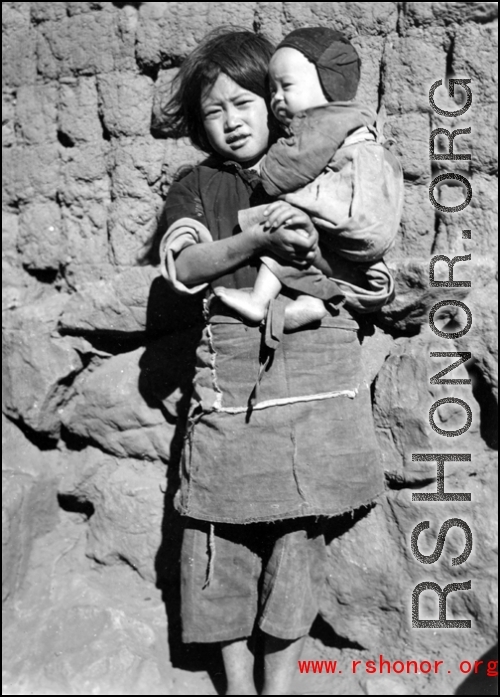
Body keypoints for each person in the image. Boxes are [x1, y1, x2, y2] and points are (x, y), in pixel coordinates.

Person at [157, 28, 386, 696]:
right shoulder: (198, 184)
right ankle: (235, 684)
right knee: (214, 540)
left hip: (312, 393)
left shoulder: (328, 163)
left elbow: (368, 261)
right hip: (232, 392)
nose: (230, 123)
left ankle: (277, 686)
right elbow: (186, 264)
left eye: (244, 103)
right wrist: (252, 236)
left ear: (275, 101)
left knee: (296, 541)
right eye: (212, 112)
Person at [215, 27, 403, 329]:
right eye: (271, 90)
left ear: (327, 85)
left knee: (280, 229)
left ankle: (259, 299)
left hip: (349, 217)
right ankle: (312, 301)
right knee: (309, 244)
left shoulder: (322, 122)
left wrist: (272, 159)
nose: (276, 98)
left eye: (285, 86)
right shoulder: (358, 118)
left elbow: (280, 175)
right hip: (370, 229)